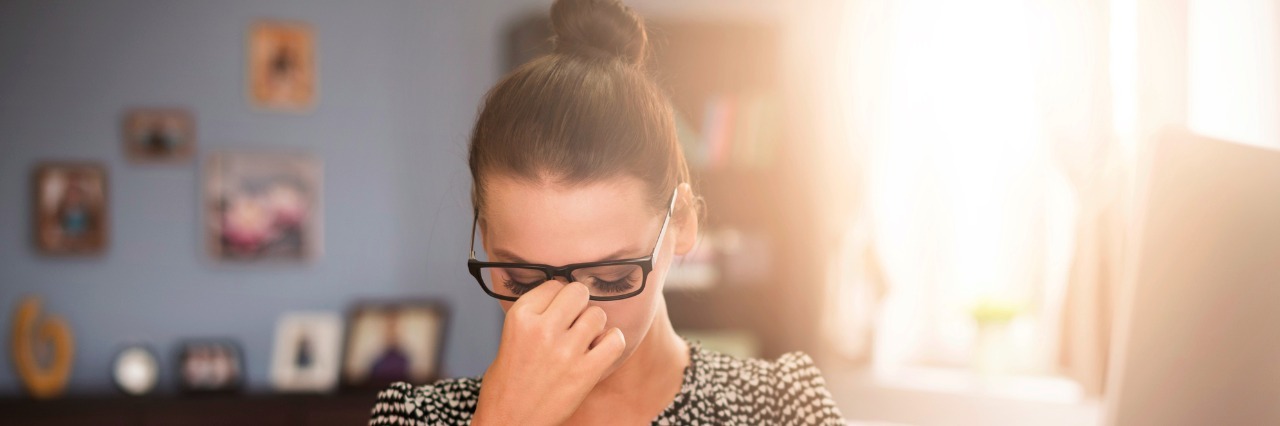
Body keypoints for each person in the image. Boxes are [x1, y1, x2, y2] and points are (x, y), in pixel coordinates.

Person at [370, 0, 846, 424]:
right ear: (485, 238)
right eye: (522, 279)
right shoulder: (417, 417)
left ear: (681, 224)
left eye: (613, 277)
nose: (571, 316)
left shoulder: (782, 407)